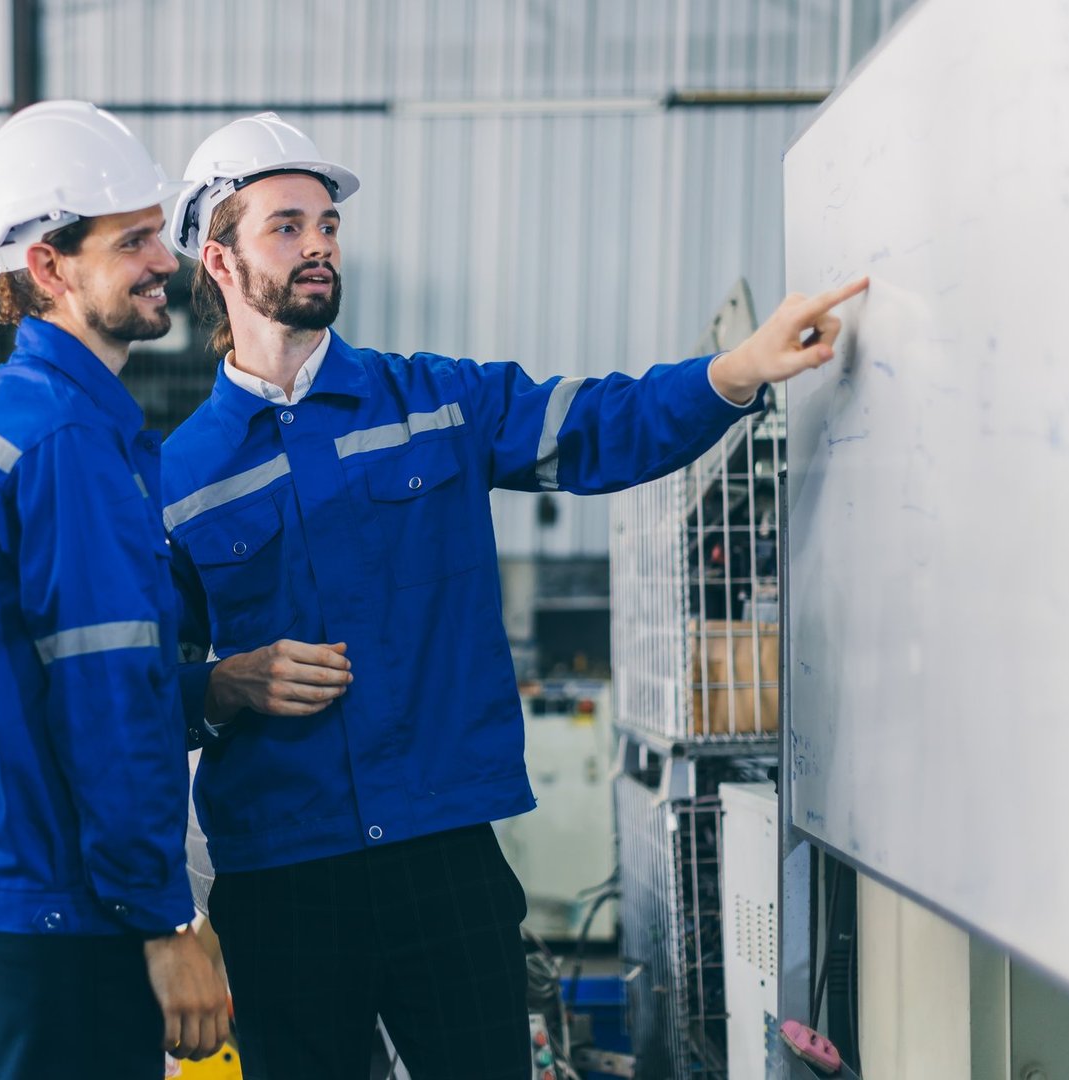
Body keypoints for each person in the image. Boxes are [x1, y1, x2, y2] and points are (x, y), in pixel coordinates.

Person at [162, 111, 869, 1080]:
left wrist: (739, 372)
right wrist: (224, 685)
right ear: (221, 258)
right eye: (287, 226)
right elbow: (148, 689)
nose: (320, 245)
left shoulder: (436, 404)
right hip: (283, 881)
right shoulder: (175, 480)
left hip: (441, 859)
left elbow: (599, 427)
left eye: (328, 224)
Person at [0, 100, 228, 1079]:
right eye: (133, 241)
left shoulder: (19, 408)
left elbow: (46, 677)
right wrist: (166, 916)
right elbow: (99, 706)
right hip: (71, 903)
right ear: (48, 268)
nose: (166, 263)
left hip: (21, 889)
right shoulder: (68, 441)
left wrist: (218, 689)